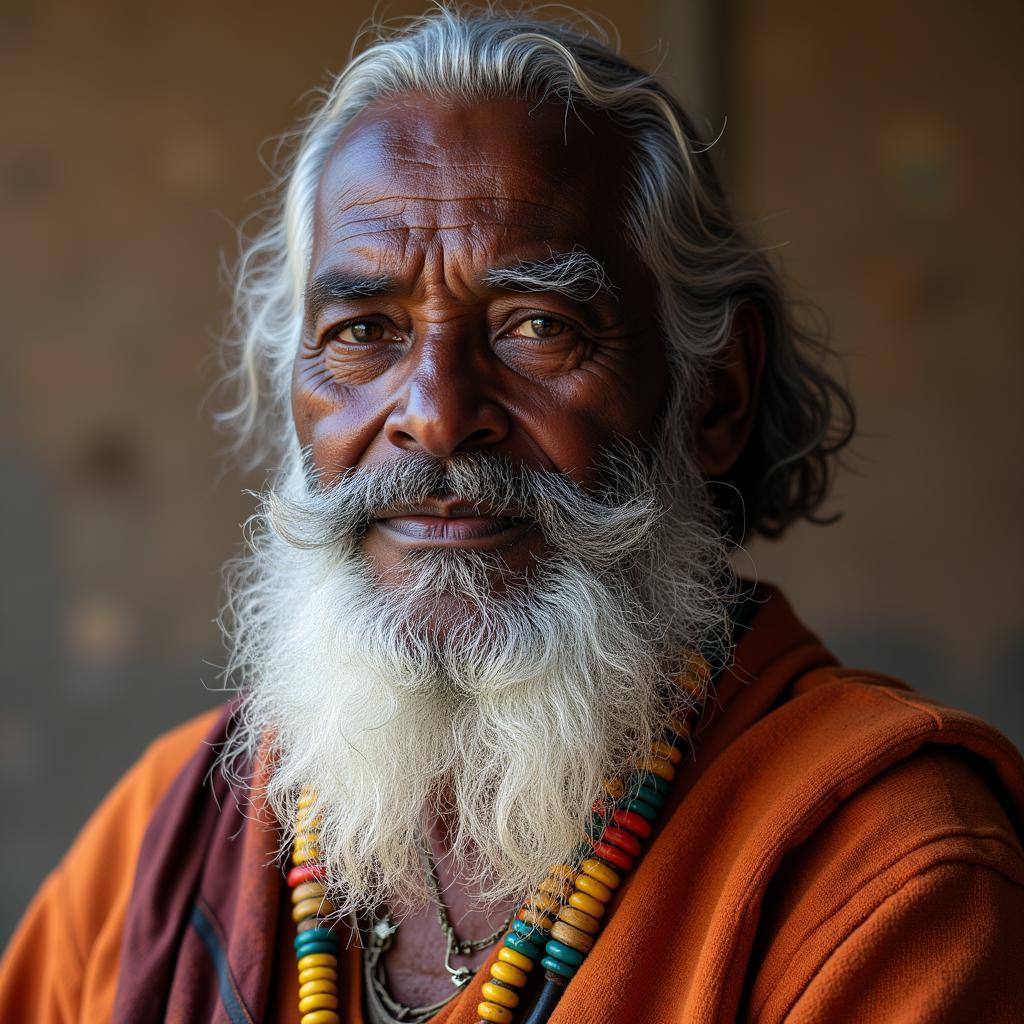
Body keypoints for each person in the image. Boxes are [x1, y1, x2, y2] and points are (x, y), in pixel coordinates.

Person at [2, 7, 1022, 1023]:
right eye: (363, 332)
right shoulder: (160, 833)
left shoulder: (885, 870)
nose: (437, 416)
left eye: (538, 326)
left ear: (713, 394)